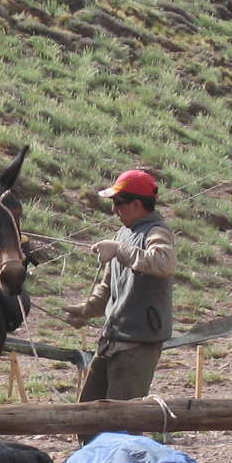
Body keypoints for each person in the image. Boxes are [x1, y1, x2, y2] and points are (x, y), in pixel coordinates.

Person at [64, 168, 175, 402]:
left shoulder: (156, 231)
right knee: (89, 409)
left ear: (136, 204)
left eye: (118, 203)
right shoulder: (122, 234)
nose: (114, 210)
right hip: (111, 340)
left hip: (137, 345)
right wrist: (86, 310)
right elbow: (108, 286)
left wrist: (118, 250)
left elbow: (164, 263)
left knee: (122, 417)